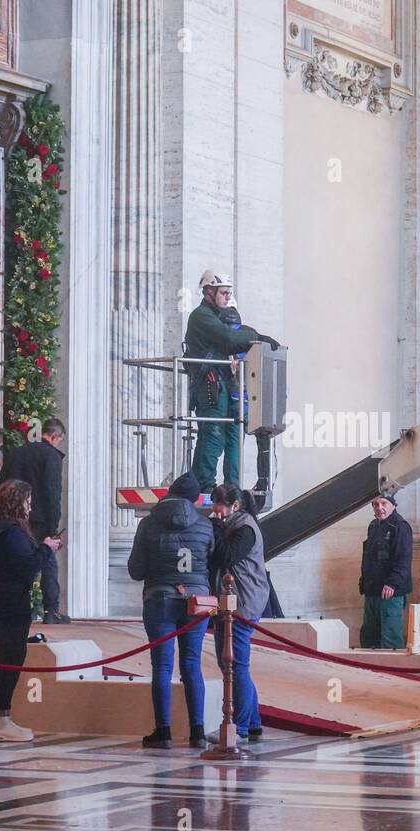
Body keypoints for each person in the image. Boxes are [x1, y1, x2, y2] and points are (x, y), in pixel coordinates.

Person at [127, 471, 214, 749]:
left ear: (169, 494)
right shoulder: (204, 525)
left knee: (162, 667)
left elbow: (135, 570)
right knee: (192, 664)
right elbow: (212, 563)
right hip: (196, 603)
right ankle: (198, 732)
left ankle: (163, 732)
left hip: (159, 599)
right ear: (195, 499)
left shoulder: (149, 524)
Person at [0, 479, 62, 742]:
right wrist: (47, 547)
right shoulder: (11, 530)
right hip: (8, 600)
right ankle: (1, 721)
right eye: (28, 501)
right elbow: (27, 565)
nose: (30, 506)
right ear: (18, 502)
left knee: (9, 657)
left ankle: (1, 719)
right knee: (11, 659)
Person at [183, 270, 279, 490]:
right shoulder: (201, 316)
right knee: (213, 434)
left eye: (229, 293)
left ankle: (225, 486)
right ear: (208, 291)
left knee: (228, 434)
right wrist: (255, 337)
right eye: (223, 292)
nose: (227, 297)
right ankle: (205, 485)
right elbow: (229, 338)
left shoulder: (214, 316)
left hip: (219, 384)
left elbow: (233, 338)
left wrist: (254, 337)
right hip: (210, 385)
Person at [0, 417, 69, 623]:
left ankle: (17, 606)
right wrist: (53, 528)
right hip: (39, 519)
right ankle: (50, 611)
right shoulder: (51, 456)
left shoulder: (18, 452)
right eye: (59, 440)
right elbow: (52, 493)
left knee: (15, 561)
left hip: (10, 518)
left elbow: (1, 484)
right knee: (47, 560)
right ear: (54, 437)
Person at [209, 484, 267, 743]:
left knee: (235, 666)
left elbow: (226, 556)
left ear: (234, 506)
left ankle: (240, 727)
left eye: (219, 505)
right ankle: (253, 723)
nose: (215, 511)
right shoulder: (237, 524)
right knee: (229, 663)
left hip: (243, 603)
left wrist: (218, 529)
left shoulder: (244, 529)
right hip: (232, 601)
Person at [222, 295, 275, 494]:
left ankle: (233, 486)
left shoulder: (227, 336)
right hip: (250, 401)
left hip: (237, 401)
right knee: (257, 440)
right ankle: (261, 482)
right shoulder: (249, 334)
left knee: (235, 446)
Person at [358, 493, 413, 649]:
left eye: (383, 503)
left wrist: (392, 583)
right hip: (372, 591)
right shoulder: (373, 526)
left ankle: (393, 671)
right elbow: (368, 557)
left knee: (390, 637)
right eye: (375, 504)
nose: (379, 508)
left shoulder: (400, 526)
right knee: (369, 636)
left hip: (390, 592)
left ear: (393, 505)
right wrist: (363, 582)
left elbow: (403, 559)